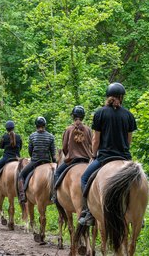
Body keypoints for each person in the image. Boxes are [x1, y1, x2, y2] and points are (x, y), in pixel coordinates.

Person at [78, 82, 137, 226]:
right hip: (124, 157)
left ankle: (88, 212)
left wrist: (93, 154)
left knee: (85, 178)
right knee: (140, 180)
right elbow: (129, 140)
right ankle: (138, 213)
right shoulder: (129, 115)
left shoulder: (100, 113)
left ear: (108, 96)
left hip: (104, 157)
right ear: (121, 97)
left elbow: (95, 139)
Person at [51, 106, 93, 203]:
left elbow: (64, 147)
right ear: (83, 117)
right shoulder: (88, 130)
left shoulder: (68, 130)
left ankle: (55, 196)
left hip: (73, 161)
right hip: (87, 161)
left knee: (57, 173)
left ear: (73, 116)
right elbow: (92, 145)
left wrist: (68, 156)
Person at [17, 116, 56, 204]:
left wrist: (33, 157)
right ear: (45, 125)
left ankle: (22, 195)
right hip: (47, 161)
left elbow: (30, 151)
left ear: (36, 125)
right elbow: (53, 153)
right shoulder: (51, 137)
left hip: (35, 161)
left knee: (21, 176)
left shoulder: (32, 136)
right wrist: (54, 161)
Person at [0, 120, 23, 191]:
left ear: (6, 128)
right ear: (13, 128)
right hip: (17, 158)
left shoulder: (4, 137)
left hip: (6, 158)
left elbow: (1, 147)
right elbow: (20, 148)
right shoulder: (19, 137)